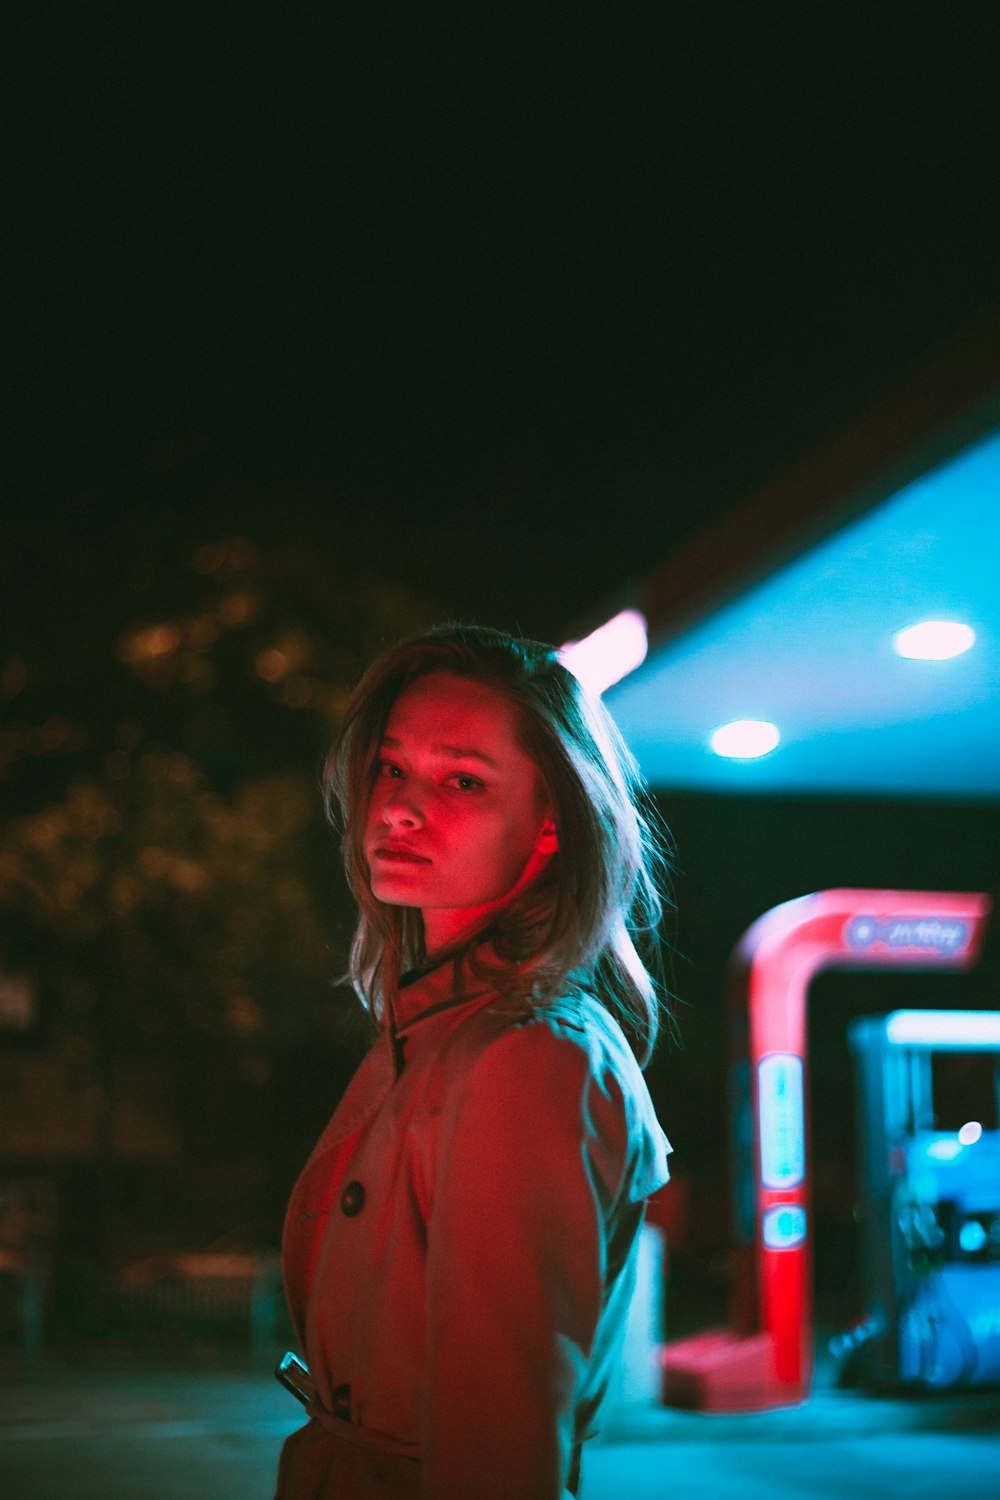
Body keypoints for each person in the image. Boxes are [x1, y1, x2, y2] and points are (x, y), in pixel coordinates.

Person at [274, 623, 674, 1500]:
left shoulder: (528, 1056)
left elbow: (501, 1445)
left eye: (462, 779)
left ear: (553, 825)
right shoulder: (431, 1025)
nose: (399, 808)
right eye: (391, 767)